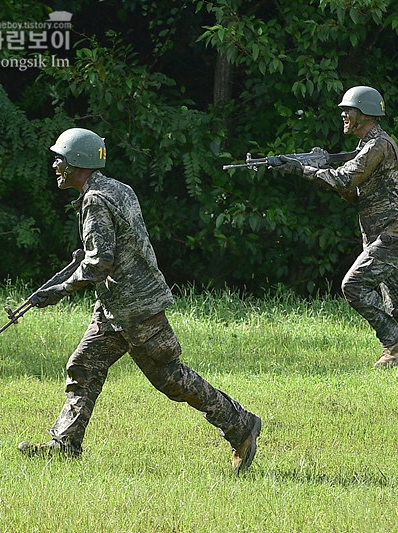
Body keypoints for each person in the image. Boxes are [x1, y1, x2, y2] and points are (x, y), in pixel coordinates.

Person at [18, 127, 261, 472]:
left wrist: (59, 289)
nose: (55, 165)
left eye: (60, 159)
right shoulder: (117, 189)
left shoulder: (95, 199)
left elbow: (99, 261)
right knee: (84, 367)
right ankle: (65, 444)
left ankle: (240, 425)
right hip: (117, 306)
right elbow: (117, 248)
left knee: (172, 380)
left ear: (77, 161)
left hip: (135, 309)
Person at [275, 86, 398, 372]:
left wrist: (304, 170)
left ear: (365, 114)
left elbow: (345, 179)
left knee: (354, 285)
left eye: (348, 110)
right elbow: (354, 193)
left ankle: (393, 346)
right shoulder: (367, 147)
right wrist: (317, 169)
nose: (343, 115)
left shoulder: (377, 146)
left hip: (393, 236)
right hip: (392, 236)